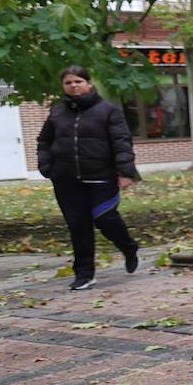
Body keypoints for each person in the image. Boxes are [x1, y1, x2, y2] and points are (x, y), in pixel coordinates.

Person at [37, 65, 141, 291]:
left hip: (101, 177)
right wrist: (46, 166)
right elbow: (44, 141)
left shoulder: (108, 110)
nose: (74, 86)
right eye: (68, 82)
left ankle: (128, 247)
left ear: (88, 83)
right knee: (78, 226)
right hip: (66, 180)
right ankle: (84, 274)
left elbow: (122, 142)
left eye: (78, 81)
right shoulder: (57, 112)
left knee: (105, 219)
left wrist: (125, 172)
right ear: (63, 86)